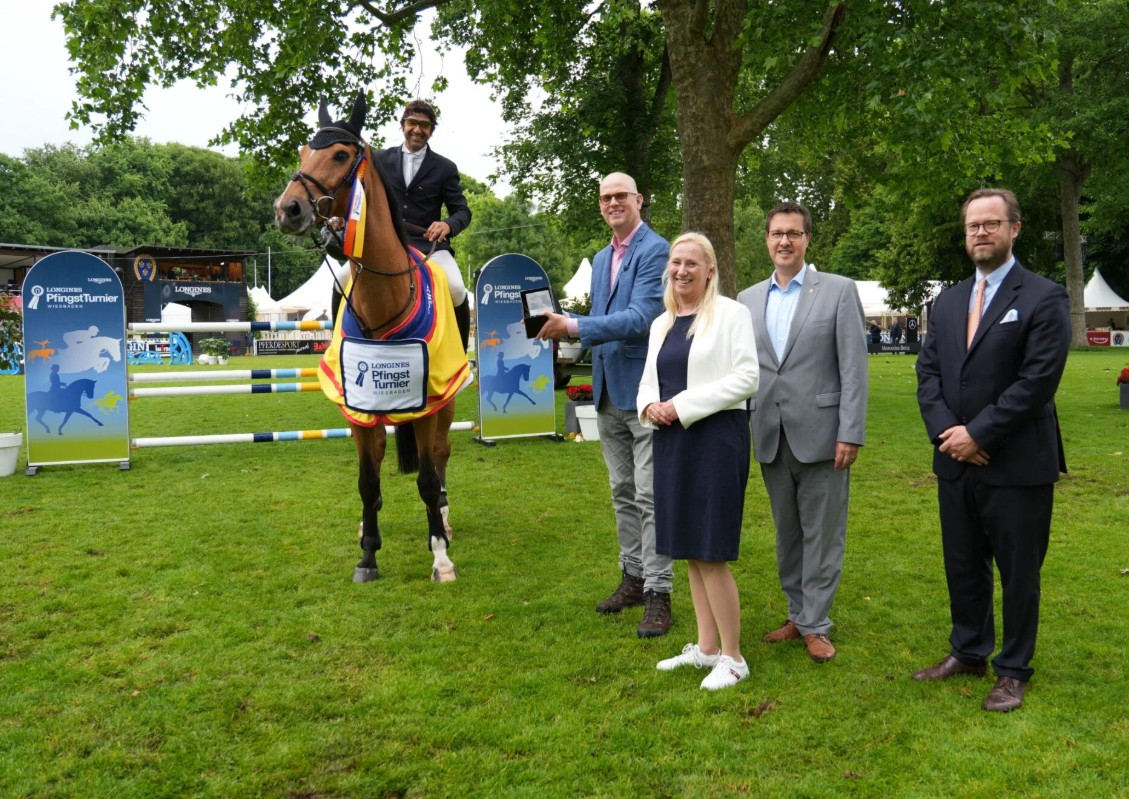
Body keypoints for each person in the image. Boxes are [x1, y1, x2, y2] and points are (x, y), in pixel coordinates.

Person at [913, 188, 1070, 712]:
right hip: (956, 461)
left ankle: (1013, 669)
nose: (980, 233)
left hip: (1017, 462)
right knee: (962, 563)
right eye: (972, 226)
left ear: (1014, 229)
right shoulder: (949, 301)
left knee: (1019, 571)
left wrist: (978, 434)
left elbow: (1037, 381)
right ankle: (969, 650)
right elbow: (928, 374)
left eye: (991, 224)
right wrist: (949, 435)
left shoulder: (1044, 296)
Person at [536, 172, 671, 638]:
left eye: (621, 196)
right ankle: (632, 578)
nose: (613, 203)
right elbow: (605, 321)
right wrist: (568, 337)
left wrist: (572, 327)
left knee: (651, 495)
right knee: (622, 492)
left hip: (646, 391)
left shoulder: (657, 250)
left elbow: (640, 319)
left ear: (639, 200)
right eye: (605, 197)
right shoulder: (598, 258)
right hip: (608, 389)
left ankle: (659, 592)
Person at [737, 201, 868, 663]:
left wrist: (850, 431)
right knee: (787, 534)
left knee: (823, 533)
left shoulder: (837, 291)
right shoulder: (748, 299)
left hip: (825, 434)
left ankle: (817, 623)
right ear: (767, 240)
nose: (785, 241)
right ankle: (797, 614)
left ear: (808, 239)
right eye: (777, 233)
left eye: (794, 233)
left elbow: (853, 367)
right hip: (769, 433)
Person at [638, 233, 759, 689]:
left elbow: (747, 377)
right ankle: (707, 649)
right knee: (688, 548)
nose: (682, 270)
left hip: (715, 440)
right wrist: (650, 405)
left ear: (710, 269)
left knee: (710, 550)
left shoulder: (732, 315)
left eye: (692, 263)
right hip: (671, 440)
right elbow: (650, 380)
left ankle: (734, 657)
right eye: (676, 262)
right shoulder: (663, 322)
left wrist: (682, 405)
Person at [329, 99, 473, 349]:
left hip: (428, 247)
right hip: (383, 245)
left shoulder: (445, 168)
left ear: (431, 130)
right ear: (402, 125)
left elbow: (462, 210)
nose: (417, 129)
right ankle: (337, 343)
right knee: (341, 279)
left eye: (424, 125)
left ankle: (459, 355)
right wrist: (343, 216)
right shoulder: (377, 159)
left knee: (457, 288)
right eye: (412, 123)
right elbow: (358, 197)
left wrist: (447, 225)